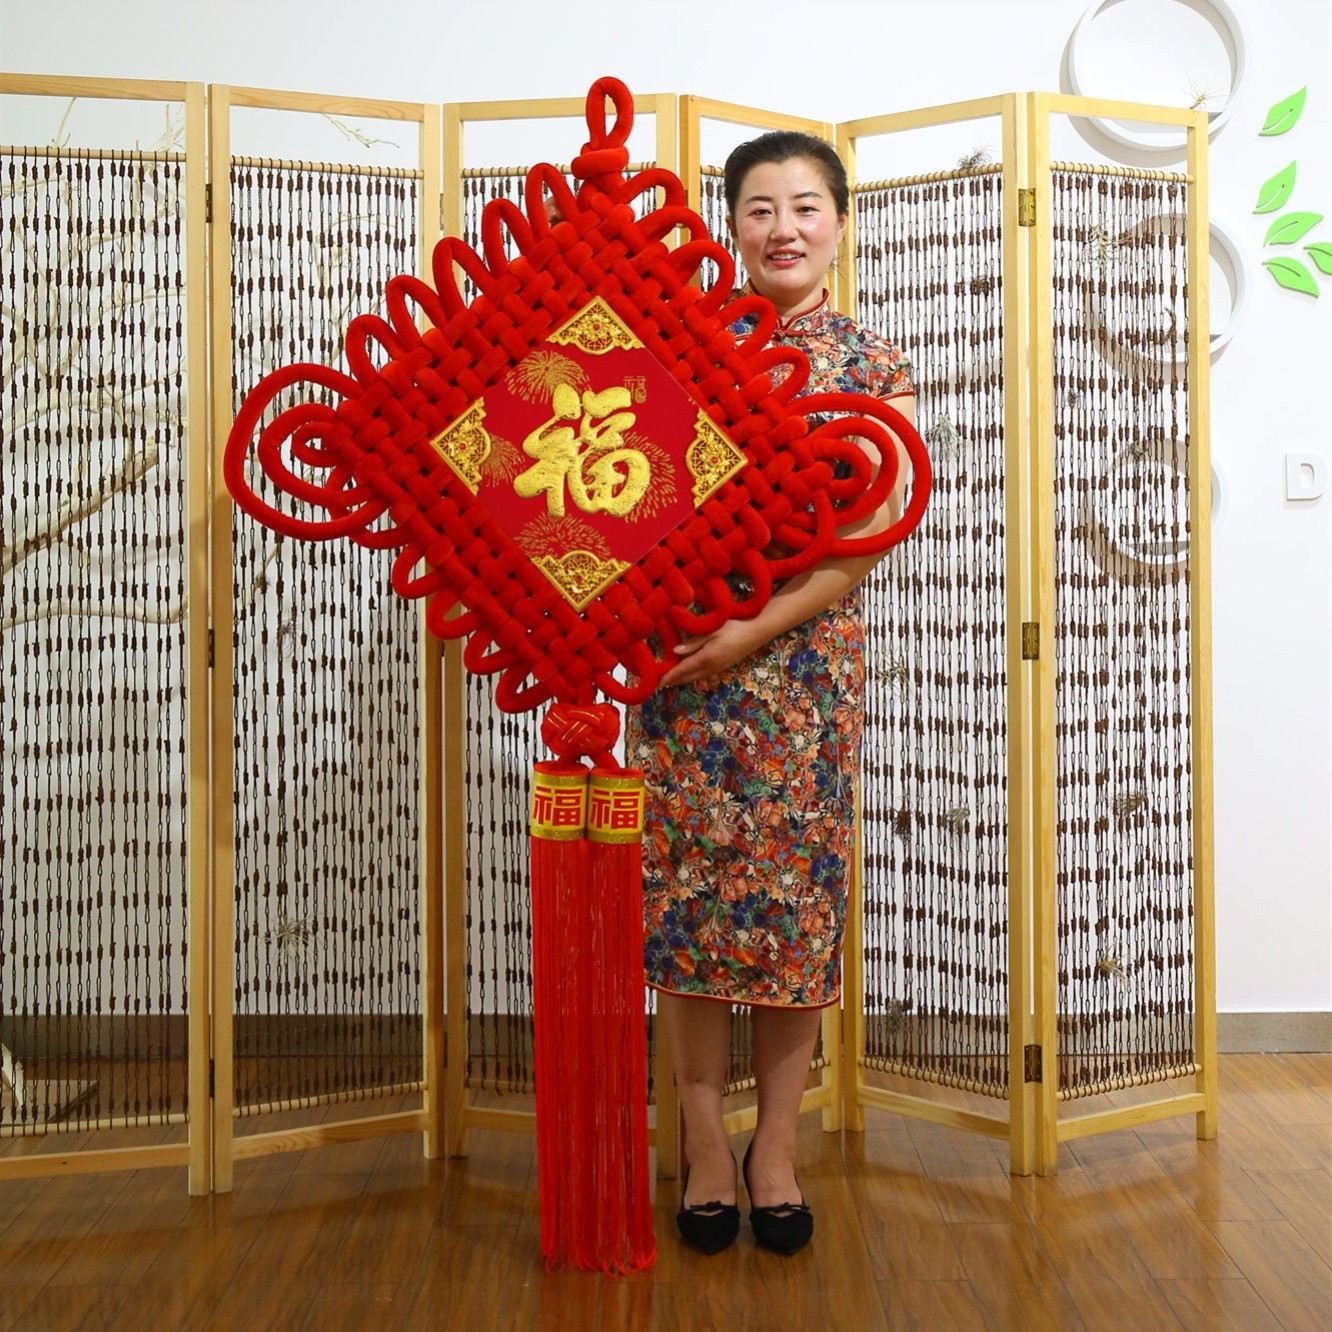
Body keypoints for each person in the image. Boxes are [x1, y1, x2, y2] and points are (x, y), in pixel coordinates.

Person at [626, 131, 916, 1256]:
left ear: (841, 222)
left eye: (804, 204)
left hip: (798, 671)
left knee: (794, 917)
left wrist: (747, 632)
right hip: (682, 669)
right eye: (758, 207)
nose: (782, 226)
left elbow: (865, 540)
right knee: (689, 906)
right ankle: (703, 1141)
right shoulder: (689, 347)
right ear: (729, 226)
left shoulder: (871, 364)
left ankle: (777, 1145)